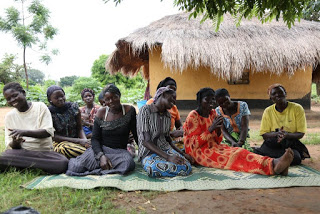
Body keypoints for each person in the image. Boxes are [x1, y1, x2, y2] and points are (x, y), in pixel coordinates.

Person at [183, 87, 294, 176]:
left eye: (213, 100)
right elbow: (194, 144)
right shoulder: (193, 116)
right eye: (207, 99)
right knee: (234, 158)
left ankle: (274, 164)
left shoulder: (213, 113)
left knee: (240, 151)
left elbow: (218, 139)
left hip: (214, 146)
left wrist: (217, 130)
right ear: (199, 101)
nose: (211, 102)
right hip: (198, 152)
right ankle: (272, 165)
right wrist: (211, 129)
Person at [66, 84, 138, 176]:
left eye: (114, 97)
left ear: (119, 96)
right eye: (107, 99)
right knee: (75, 167)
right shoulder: (101, 113)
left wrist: (143, 153)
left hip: (119, 152)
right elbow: (95, 138)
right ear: (104, 100)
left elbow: (136, 133)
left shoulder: (129, 110)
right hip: (101, 150)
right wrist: (101, 156)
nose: (111, 101)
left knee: (128, 164)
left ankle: (98, 170)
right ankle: (104, 169)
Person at [0, 82, 68, 174]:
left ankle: (22, 166)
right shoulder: (9, 116)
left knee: (62, 162)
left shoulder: (40, 107)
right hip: (22, 153)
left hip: (43, 153)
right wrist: (16, 142)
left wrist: (24, 132)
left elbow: (47, 132)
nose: (12, 100)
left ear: (23, 93)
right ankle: (34, 166)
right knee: (4, 156)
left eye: (15, 95)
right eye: (8, 99)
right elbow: (11, 145)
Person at [137, 86, 193, 178]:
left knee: (186, 165)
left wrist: (183, 154)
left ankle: (168, 169)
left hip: (165, 148)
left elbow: (168, 140)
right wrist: (168, 157)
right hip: (148, 152)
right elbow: (145, 141)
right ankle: (160, 167)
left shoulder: (167, 115)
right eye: (173, 98)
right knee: (154, 167)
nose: (174, 102)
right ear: (162, 95)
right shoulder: (145, 110)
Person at [254, 84, 310, 165]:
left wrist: (286, 135)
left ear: (285, 93)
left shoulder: (297, 108)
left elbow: (301, 133)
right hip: (273, 142)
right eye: (274, 94)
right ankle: (280, 159)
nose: (277, 95)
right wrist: (277, 134)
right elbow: (264, 135)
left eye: (280, 92)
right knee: (289, 157)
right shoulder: (268, 111)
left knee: (296, 158)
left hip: (290, 143)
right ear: (270, 98)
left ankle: (270, 158)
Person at [47, 85, 90, 159]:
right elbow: (53, 136)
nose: (60, 99)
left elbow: (79, 128)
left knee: (91, 144)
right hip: (60, 143)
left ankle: (87, 154)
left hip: (77, 140)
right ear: (50, 100)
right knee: (67, 149)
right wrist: (78, 141)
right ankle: (88, 155)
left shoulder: (73, 107)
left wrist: (85, 141)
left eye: (62, 96)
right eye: (56, 98)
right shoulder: (48, 113)